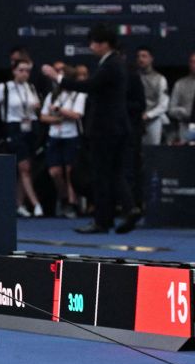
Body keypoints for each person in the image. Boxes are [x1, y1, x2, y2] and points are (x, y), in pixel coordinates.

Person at [41, 24, 140, 234]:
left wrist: (57, 78)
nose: (91, 46)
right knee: (114, 173)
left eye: (93, 42)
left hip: (106, 129)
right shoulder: (116, 63)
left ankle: (103, 221)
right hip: (117, 128)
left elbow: (89, 86)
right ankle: (127, 210)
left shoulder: (111, 65)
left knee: (103, 174)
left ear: (104, 44)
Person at [0, 59, 43, 217]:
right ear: (14, 71)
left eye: (27, 70)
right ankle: (36, 204)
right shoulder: (5, 87)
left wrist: (37, 108)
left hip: (30, 128)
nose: (24, 73)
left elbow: (37, 109)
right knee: (24, 166)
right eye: (21, 70)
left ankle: (19, 204)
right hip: (14, 128)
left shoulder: (31, 87)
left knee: (25, 169)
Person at [39, 81, 86, 218]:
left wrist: (60, 111)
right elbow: (43, 116)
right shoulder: (52, 95)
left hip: (71, 135)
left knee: (70, 171)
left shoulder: (77, 94)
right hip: (55, 136)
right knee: (55, 172)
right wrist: (57, 119)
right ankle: (64, 197)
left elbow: (77, 115)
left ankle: (72, 203)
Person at [135, 46, 169, 146]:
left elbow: (164, 105)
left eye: (144, 56)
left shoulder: (160, 79)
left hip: (153, 121)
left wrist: (148, 115)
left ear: (151, 58)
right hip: (134, 120)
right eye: (138, 56)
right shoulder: (132, 77)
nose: (140, 59)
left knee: (153, 149)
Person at [167, 51, 195, 141]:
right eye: (192, 61)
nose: (194, 64)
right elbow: (171, 109)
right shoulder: (180, 84)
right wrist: (182, 112)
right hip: (185, 126)